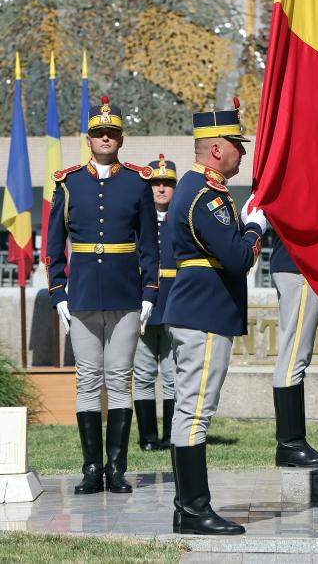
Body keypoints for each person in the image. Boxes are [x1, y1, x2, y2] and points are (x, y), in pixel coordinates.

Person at [46, 96, 159, 495]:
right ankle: (91, 469)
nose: (105, 138)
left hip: (126, 294)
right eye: (99, 133)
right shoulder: (69, 183)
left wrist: (149, 294)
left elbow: (149, 245)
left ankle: (116, 469)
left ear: (121, 139)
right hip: (80, 296)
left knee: (120, 378)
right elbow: (53, 245)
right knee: (88, 379)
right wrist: (58, 294)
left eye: (111, 133)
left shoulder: (137, 182)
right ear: (88, 139)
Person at [163, 101, 267, 536]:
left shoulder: (200, 188)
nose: (243, 152)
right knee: (195, 411)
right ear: (218, 149)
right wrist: (255, 227)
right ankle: (194, 509)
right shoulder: (206, 195)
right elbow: (238, 258)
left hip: (199, 309)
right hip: (204, 311)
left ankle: (186, 509)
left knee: (190, 409)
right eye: (238, 145)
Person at [269, 231, 318, 467]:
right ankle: (291, 444)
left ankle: (291, 444)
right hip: (299, 263)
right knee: (294, 357)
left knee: (293, 354)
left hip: (292, 261)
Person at [133, 154, 178, 451]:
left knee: (173, 376)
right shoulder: (136, 222)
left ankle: (172, 436)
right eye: (155, 183)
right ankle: (148, 438)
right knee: (143, 374)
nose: (161, 188)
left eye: (167, 183)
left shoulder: (182, 221)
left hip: (174, 305)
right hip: (143, 306)